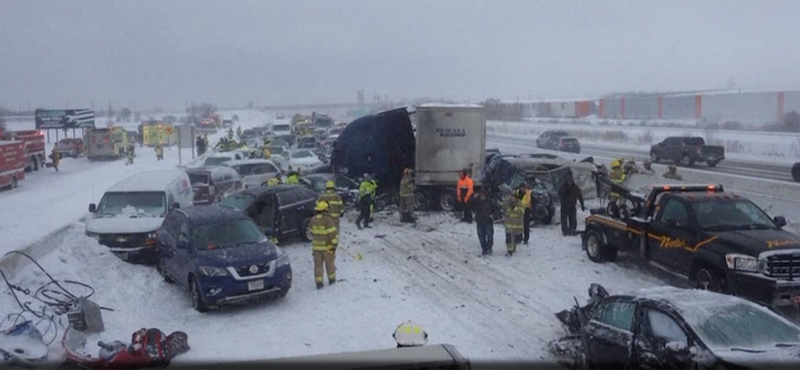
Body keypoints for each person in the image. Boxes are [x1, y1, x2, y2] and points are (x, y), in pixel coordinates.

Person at [309, 200, 338, 289]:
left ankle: (319, 282)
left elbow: (311, 233)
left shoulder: (312, 219)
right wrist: (335, 244)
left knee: (318, 265)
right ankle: (332, 280)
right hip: (327, 247)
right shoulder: (328, 220)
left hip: (316, 247)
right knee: (330, 264)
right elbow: (332, 234)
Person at [470, 188, 500, 256]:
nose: (482, 197)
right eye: (481, 195)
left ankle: (489, 248)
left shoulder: (490, 202)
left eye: (484, 195)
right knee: (481, 236)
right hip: (479, 221)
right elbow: (469, 204)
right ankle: (484, 249)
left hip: (488, 221)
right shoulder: (476, 201)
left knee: (490, 236)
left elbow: (495, 208)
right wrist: (473, 198)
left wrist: (494, 216)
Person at [503, 190, 524, 257]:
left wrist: (514, 208)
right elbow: (504, 210)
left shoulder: (520, 203)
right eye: (512, 196)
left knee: (518, 238)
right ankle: (509, 251)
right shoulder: (506, 203)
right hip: (509, 224)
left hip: (518, 224)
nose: (512, 198)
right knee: (509, 237)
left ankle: (514, 246)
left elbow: (522, 212)